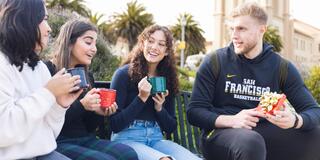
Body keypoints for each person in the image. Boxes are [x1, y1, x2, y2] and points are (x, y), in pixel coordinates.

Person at [187, 2, 320, 160]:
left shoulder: (281, 67)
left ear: (261, 30)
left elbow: (314, 110)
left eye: (241, 29)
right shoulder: (215, 61)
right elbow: (194, 111)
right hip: (219, 134)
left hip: (262, 132)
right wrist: (233, 120)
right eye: (232, 29)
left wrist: (295, 120)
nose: (234, 35)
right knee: (251, 142)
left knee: (315, 135)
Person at [45, 19, 138, 160]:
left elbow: (89, 127)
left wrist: (98, 112)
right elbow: (46, 118)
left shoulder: (87, 76)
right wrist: (82, 105)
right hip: (58, 141)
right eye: (88, 42)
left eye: (95, 43)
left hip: (85, 139)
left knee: (128, 154)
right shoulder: (48, 70)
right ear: (69, 42)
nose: (94, 49)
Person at [0, 0, 83, 159]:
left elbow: (50, 132)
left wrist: (59, 105)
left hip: (45, 154)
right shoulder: (2, 64)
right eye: (44, 19)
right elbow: (3, 131)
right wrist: (48, 93)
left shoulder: (39, 67)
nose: (49, 28)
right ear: (24, 21)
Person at [109, 24, 202, 160]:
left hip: (156, 139)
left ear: (166, 51)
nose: (154, 47)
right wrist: (141, 98)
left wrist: (159, 108)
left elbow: (170, 127)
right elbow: (115, 125)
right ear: (142, 44)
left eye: (161, 44)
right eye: (151, 41)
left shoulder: (166, 79)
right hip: (126, 139)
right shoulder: (123, 74)